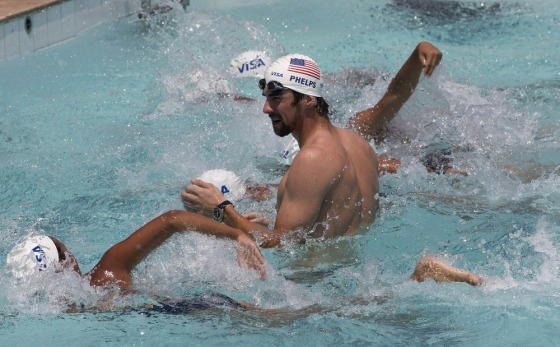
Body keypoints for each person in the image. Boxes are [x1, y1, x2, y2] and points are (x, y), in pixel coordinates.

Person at [6, 210, 266, 311]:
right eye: (63, 246)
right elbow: (173, 220)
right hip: (179, 311)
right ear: (65, 260)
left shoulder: (43, 311)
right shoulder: (105, 274)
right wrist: (237, 234)